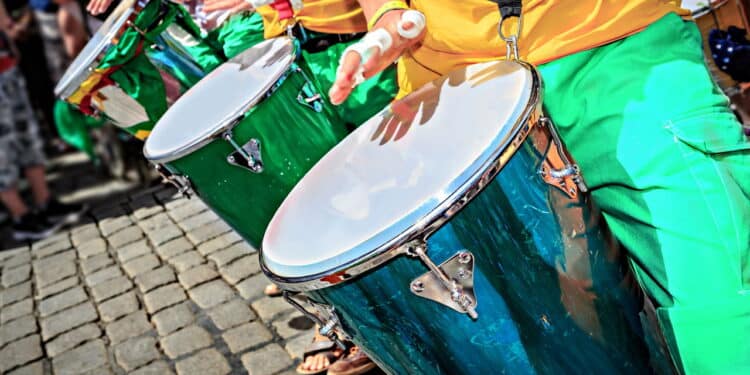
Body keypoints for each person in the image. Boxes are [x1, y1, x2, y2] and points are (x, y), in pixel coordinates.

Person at [331, 1, 750, 374]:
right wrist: (387, 17)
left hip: (619, 45)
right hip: (456, 85)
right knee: (549, 333)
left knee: (721, 302)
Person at [0, 4, 86, 241]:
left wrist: (7, 28)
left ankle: (44, 202)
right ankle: (21, 217)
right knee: (3, 153)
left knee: (29, 137)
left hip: (6, 68)